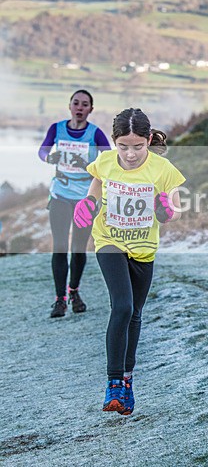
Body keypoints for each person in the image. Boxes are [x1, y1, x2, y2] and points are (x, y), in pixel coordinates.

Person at [74, 108, 185, 416]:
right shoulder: (106, 162)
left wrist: (165, 210)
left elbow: (175, 210)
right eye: (123, 146)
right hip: (109, 241)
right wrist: (88, 204)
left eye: (138, 146)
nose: (131, 153)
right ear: (114, 141)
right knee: (121, 306)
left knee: (135, 314)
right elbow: (94, 191)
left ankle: (127, 383)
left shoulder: (163, 169)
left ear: (149, 140)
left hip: (143, 249)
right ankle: (112, 384)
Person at [38, 89, 110, 318]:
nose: (80, 107)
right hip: (60, 193)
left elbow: (108, 158)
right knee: (59, 246)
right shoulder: (57, 129)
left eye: (85, 104)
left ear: (91, 109)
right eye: (76, 103)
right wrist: (50, 158)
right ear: (70, 106)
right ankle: (59, 300)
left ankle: (74, 292)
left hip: (85, 198)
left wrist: (90, 164)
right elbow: (42, 150)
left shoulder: (95, 134)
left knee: (78, 248)